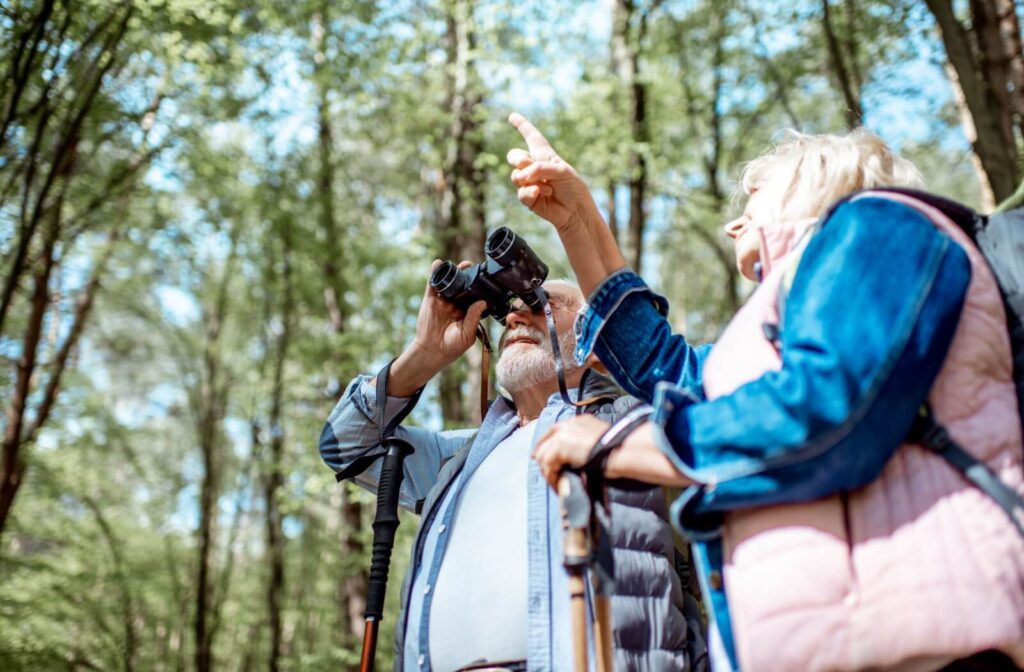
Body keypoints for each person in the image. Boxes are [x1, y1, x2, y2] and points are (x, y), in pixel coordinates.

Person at [505, 113, 1024, 671]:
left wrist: (618, 447)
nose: (732, 227)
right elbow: (668, 370)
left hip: (939, 647)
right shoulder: (781, 320)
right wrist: (578, 219)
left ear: (816, 177)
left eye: (751, 201)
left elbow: (827, 407)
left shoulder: (884, 223)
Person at [319, 269, 703, 671]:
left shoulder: (633, 424)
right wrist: (425, 353)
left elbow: (733, 442)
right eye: (510, 313)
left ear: (596, 347)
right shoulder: (461, 460)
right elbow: (344, 445)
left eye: (543, 305)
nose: (518, 317)